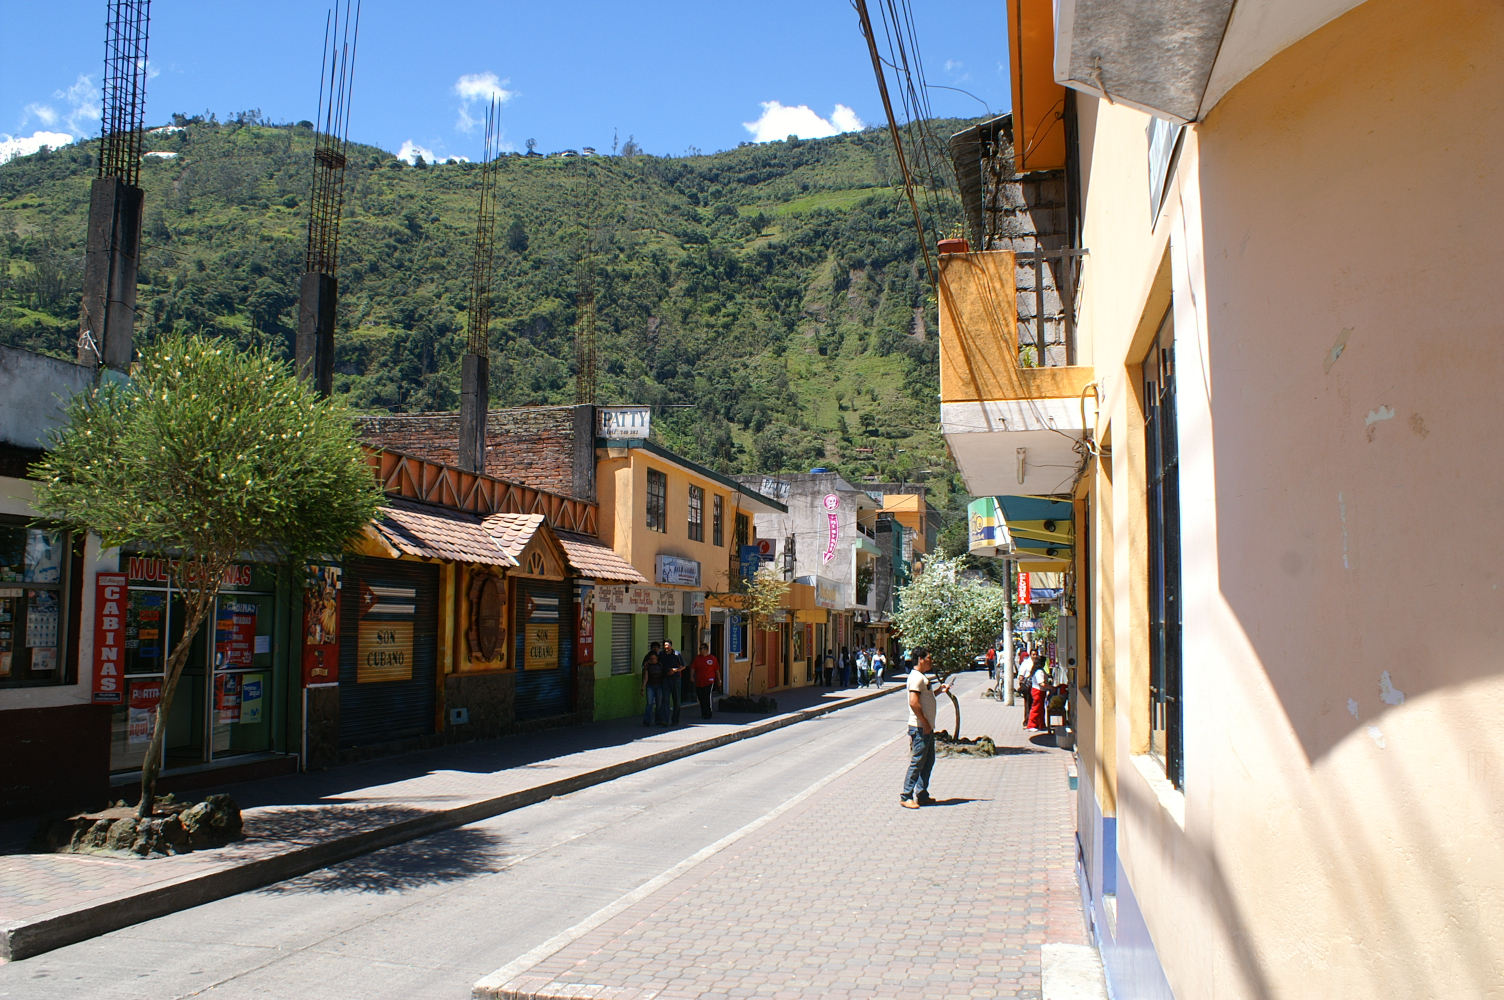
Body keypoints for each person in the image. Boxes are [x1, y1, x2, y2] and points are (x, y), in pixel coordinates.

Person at [900, 647, 949, 808]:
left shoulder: (922, 678)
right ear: (921, 659)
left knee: (928, 761)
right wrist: (925, 723)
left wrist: (939, 691)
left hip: (925, 727)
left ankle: (921, 794)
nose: (931, 660)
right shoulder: (917, 678)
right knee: (918, 761)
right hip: (920, 727)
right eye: (929, 657)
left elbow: (926, 697)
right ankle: (906, 795)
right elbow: (914, 702)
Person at [690, 642, 719, 720]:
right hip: (699, 682)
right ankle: (703, 712)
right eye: (699, 649)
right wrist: (691, 676)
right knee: (701, 697)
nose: (700, 650)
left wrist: (719, 680)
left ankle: (708, 713)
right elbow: (693, 668)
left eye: (701, 649)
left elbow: (716, 670)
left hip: (709, 681)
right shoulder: (697, 658)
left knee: (707, 697)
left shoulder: (712, 658)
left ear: (706, 649)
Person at [640, 648, 669, 727]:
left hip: (659, 686)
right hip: (650, 686)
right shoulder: (647, 666)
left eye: (654, 658)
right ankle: (647, 720)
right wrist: (642, 688)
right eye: (651, 659)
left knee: (659, 704)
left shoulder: (660, 664)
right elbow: (646, 677)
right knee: (649, 703)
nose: (653, 660)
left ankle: (658, 720)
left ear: (657, 658)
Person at [661, 639, 685, 726]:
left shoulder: (677, 654)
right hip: (665, 679)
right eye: (665, 645)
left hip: (676, 679)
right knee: (665, 700)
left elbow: (683, 666)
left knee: (676, 700)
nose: (666, 647)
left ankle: (675, 720)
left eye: (668, 645)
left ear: (671, 645)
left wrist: (675, 670)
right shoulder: (661, 655)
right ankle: (664, 720)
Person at [1027, 654, 1049, 730]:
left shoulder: (1040, 671)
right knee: (1036, 708)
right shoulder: (1039, 672)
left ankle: (1040, 724)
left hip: (1041, 691)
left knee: (1040, 709)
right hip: (1038, 691)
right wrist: (1051, 687)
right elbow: (1042, 683)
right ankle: (1031, 725)